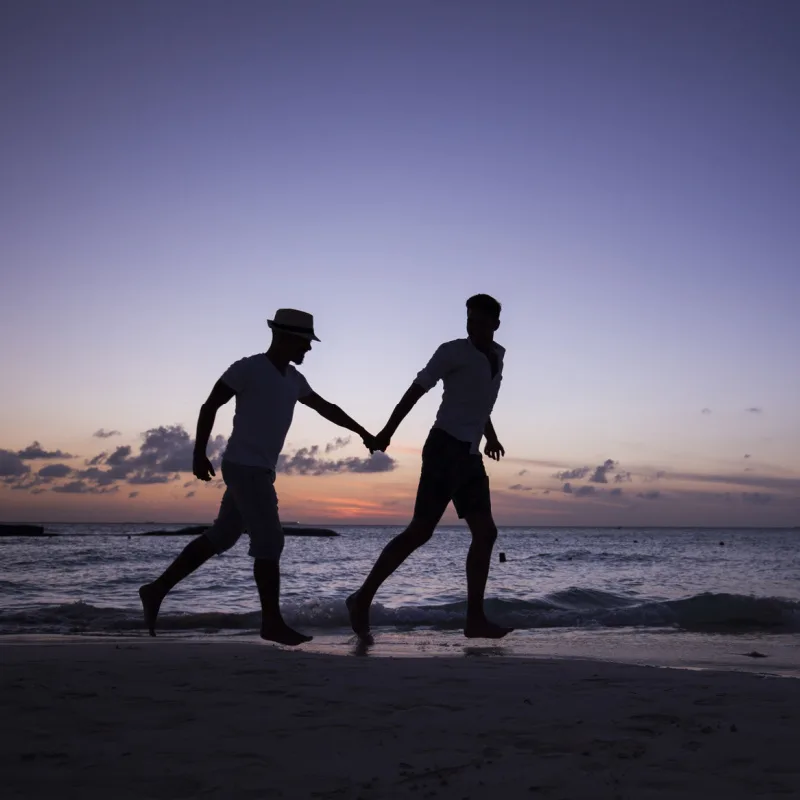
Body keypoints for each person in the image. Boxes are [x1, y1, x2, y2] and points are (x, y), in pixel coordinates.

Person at [139, 309, 375, 646]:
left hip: (258, 469)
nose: (308, 349)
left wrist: (364, 432)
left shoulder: (294, 380)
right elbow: (210, 406)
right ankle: (271, 622)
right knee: (270, 540)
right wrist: (198, 452)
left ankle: (156, 589)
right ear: (285, 337)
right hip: (244, 467)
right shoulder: (248, 368)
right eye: (305, 342)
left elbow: (327, 408)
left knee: (222, 536)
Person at [347, 294, 513, 641]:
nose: (474, 328)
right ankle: (361, 599)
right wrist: (387, 433)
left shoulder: (498, 356)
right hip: (444, 448)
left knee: (486, 533)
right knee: (420, 531)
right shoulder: (452, 351)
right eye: (470, 321)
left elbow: (481, 404)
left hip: (469, 455)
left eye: (481, 323)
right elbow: (417, 389)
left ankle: (475, 620)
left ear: (496, 324)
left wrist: (491, 437)